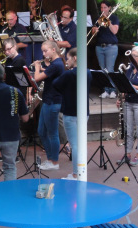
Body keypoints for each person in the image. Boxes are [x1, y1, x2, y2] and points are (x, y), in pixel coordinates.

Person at [53, 48, 92, 180]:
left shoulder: (68, 74)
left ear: (75, 58)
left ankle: (76, 174)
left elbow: (55, 84)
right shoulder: (87, 72)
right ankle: (81, 171)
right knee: (81, 143)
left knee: (74, 144)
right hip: (83, 112)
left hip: (70, 112)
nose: (66, 61)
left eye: (68, 58)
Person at [33, 40, 65, 170]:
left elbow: (36, 78)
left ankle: (54, 162)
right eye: (42, 51)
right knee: (41, 131)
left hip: (53, 102)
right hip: (48, 100)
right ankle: (50, 159)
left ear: (53, 50)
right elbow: (49, 72)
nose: (43, 53)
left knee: (52, 133)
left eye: (45, 51)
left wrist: (36, 68)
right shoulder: (54, 64)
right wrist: (42, 68)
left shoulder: (56, 64)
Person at [116, 45, 138, 167]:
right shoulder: (130, 68)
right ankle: (127, 154)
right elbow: (125, 85)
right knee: (128, 130)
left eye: (134, 56)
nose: (131, 58)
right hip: (129, 102)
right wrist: (121, 97)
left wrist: (132, 87)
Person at [91, 0, 119, 99]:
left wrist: (108, 21)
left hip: (111, 47)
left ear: (109, 8)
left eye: (105, 7)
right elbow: (93, 33)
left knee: (110, 70)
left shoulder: (114, 18)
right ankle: (106, 90)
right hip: (99, 47)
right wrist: (94, 30)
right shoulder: (97, 19)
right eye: (101, 8)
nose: (103, 10)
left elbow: (114, 31)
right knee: (103, 70)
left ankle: (113, 90)